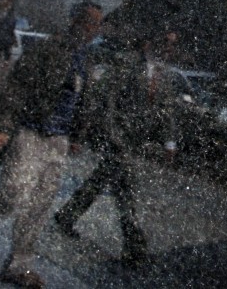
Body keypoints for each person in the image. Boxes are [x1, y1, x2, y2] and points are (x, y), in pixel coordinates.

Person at [0, 2, 103, 288]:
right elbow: (16, 88)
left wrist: (78, 136)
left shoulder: (86, 60)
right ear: (74, 21)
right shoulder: (47, 49)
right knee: (12, 195)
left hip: (58, 140)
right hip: (30, 132)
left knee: (40, 205)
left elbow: (84, 101)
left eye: (96, 24)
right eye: (88, 22)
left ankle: (18, 266)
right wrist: (2, 127)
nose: (92, 29)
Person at [53, 26, 181, 264]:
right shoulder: (127, 63)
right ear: (151, 41)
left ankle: (67, 215)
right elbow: (106, 98)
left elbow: (167, 110)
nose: (168, 48)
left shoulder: (164, 75)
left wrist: (170, 141)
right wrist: (110, 132)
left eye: (173, 44)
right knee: (125, 188)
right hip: (116, 137)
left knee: (105, 180)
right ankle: (134, 246)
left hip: (134, 140)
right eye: (165, 41)